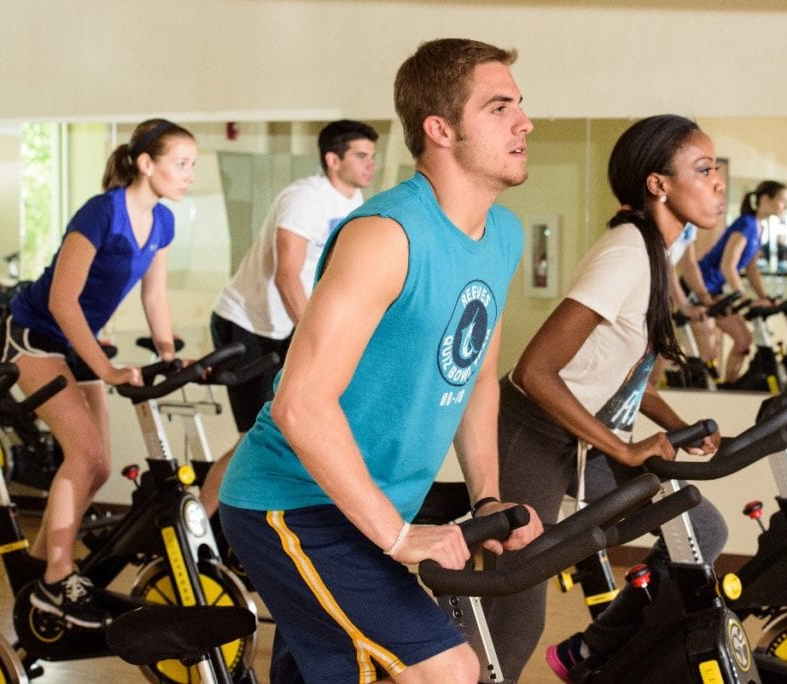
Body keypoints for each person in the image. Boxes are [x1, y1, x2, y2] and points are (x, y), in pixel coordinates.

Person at [217, 38, 543, 683]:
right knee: (447, 669)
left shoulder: (501, 234)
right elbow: (300, 402)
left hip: (370, 504)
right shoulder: (385, 235)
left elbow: (477, 376)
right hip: (293, 505)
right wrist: (396, 536)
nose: (524, 122)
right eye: (499, 107)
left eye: (519, 106)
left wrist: (487, 499)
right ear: (440, 128)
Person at [481, 114, 726, 682]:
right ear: (657, 184)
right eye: (704, 169)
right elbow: (536, 372)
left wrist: (680, 423)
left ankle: (590, 653)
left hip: (583, 437)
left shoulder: (655, 254)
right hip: (532, 430)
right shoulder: (626, 254)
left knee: (701, 529)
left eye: (717, 170)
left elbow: (624, 373)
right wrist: (626, 448)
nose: (718, 183)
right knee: (515, 611)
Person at [0, 119, 197, 628]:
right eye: (181, 163)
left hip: (79, 339)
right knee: (83, 453)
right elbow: (63, 301)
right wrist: (105, 366)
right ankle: (60, 576)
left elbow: (154, 295)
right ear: (146, 164)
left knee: (99, 464)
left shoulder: (164, 223)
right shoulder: (102, 213)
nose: (189, 174)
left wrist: (170, 354)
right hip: (35, 334)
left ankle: (42, 573)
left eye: (192, 165)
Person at [200, 119, 379, 515]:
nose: (371, 164)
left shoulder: (356, 204)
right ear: (333, 160)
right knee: (256, 435)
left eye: (373, 156)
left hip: (288, 327)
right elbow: (287, 274)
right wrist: (317, 337)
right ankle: (201, 523)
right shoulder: (305, 198)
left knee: (295, 429)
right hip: (246, 324)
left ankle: (257, 519)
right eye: (361, 155)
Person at [687, 179, 787, 383]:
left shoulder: (759, 228)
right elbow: (728, 265)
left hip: (715, 292)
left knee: (744, 341)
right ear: (766, 199)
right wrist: (743, 299)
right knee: (709, 353)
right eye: (782, 201)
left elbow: (751, 268)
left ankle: (729, 387)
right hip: (698, 288)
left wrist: (764, 297)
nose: (785, 206)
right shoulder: (746, 223)